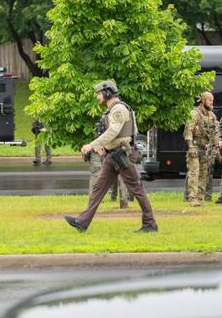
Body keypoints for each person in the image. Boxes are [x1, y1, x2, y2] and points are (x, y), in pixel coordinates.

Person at [65, 81, 157, 232]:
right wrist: (103, 146)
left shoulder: (118, 109)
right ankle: (82, 222)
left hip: (121, 155)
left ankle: (150, 224)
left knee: (136, 189)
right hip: (113, 156)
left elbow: (114, 131)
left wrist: (92, 145)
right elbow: (118, 133)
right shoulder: (113, 110)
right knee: (98, 189)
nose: (97, 97)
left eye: (99, 94)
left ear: (107, 93)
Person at [184, 91, 218, 206]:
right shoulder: (194, 113)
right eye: (209, 100)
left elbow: (215, 132)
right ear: (203, 100)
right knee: (194, 172)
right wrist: (190, 147)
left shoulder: (211, 115)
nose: (211, 102)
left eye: (212, 100)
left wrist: (216, 145)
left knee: (204, 173)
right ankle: (193, 198)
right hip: (195, 147)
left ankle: (200, 197)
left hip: (206, 148)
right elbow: (188, 130)